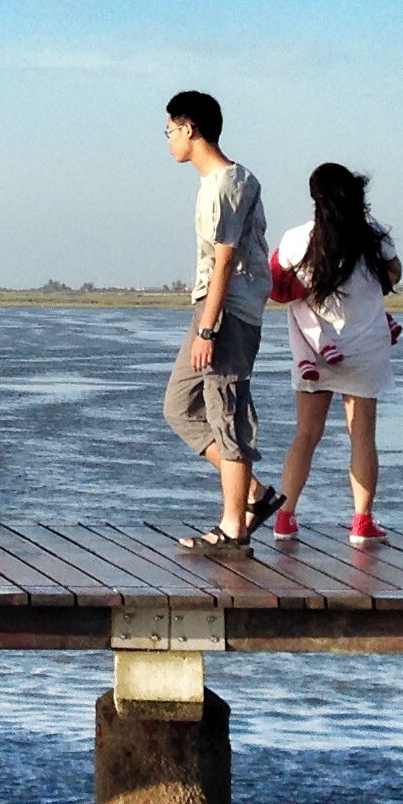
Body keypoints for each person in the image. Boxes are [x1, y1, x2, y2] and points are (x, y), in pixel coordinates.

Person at [164, 92, 275, 557]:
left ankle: (234, 529)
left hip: (225, 311)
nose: (168, 140)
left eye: (169, 130)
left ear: (189, 128)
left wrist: (208, 328)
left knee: (226, 412)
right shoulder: (224, 181)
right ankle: (251, 493)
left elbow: (225, 260)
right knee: (178, 406)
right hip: (214, 308)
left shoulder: (226, 183)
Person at [269, 162, 399, 548]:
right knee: (362, 436)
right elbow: (394, 273)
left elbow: (279, 288)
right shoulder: (375, 234)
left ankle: (285, 517)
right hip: (367, 348)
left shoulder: (297, 238)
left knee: (306, 435)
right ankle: (362, 522)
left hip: (316, 349)